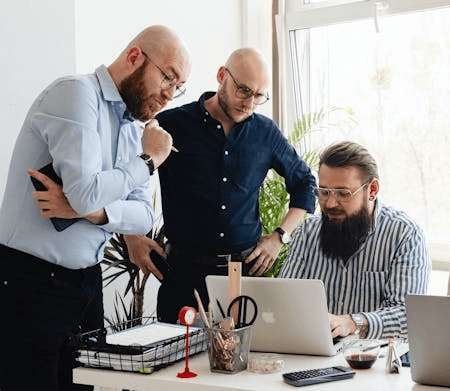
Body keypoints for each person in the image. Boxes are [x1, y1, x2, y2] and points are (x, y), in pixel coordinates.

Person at [0, 25, 191, 391]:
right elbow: (86, 193)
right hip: (30, 282)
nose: (170, 94)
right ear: (134, 57)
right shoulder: (75, 94)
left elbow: (142, 216)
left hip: (87, 283)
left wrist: (93, 213)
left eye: (178, 86)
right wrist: (148, 160)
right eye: (168, 77)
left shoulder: (133, 129)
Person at [124, 47, 317, 323]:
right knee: (178, 352)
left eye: (258, 96)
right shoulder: (170, 125)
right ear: (221, 75)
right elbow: (125, 174)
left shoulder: (266, 132)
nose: (249, 103)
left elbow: (306, 185)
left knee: (246, 352)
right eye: (244, 90)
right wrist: (130, 237)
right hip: (182, 276)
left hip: (245, 276)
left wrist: (279, 237)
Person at [279, 141, 431, 340]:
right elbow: (284, 299)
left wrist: (353, 322)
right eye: (324, 191)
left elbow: (407, 316)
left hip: (379, 355)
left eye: (343, 193)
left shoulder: (405, 235)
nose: (330, 203)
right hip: (316, 351)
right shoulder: (307, 231)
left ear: (372, 190)